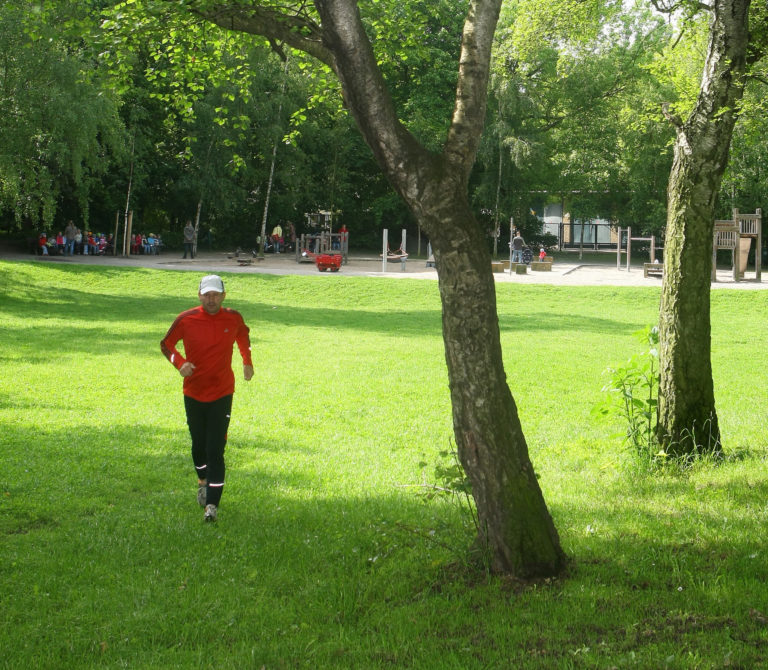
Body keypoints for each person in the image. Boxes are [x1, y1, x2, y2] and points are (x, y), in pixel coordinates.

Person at [160, 275, 254, 522]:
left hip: (222, 392)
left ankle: (212, 505)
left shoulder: (233, 318)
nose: (211, 300)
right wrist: (179, 364)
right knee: (198, 445)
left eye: (216, 295)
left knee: (216, 449)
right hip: (193, 392)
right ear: (199, 295)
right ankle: (202, 480)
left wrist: (247, 362)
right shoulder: (186, 319)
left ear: (224, 295)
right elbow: (166, 345)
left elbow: (243, 336)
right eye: (207, 295)